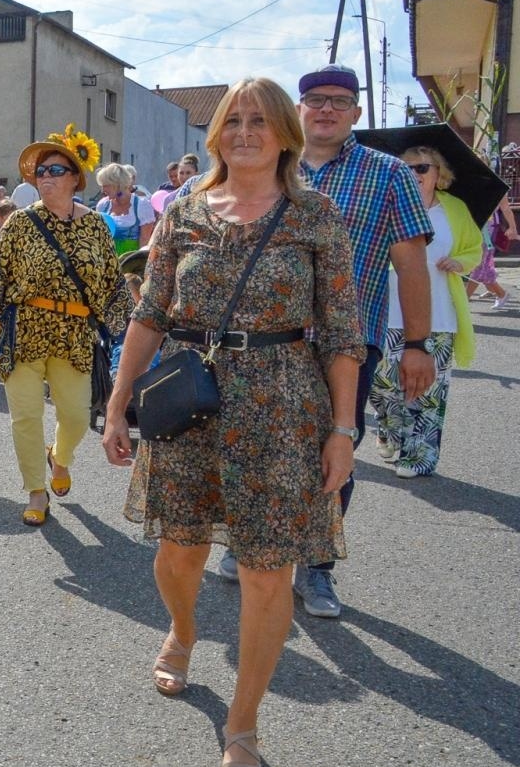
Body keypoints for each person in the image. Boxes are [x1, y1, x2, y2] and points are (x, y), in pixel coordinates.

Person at [101, 77, 363, 767]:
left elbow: (342, 333)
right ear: (215, 133)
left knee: (265, 567)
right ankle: (183, 632)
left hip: (283, 405)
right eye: (232, 120)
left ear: (284, 132)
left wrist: (342, 430)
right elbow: (149, 314)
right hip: (190, 400)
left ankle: (243, 723)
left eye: (258, 119)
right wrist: (119, 402)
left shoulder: (316, 216)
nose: (244, 130)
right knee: (178, 553)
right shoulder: (183, 214)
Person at [215, 64, 432, 620]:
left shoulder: (389, 174)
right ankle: (247, 543)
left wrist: (417, 344)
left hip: (345, 343)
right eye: (315, 99)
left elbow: (410, 265)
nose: (326, 109)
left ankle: (316, 567)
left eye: (339, 100)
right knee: (248, 443)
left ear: (357, 112)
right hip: (262, 343)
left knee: (334, 451)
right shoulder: (269, 165)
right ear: (299, 110)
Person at [0, 126, 124, 526]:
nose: (45, 177)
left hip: (75, 334)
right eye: (41, 171)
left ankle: (59, 458)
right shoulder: (21, 224)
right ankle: (36, 490)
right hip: (24, 330)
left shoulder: (96, 226)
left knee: (77, 416)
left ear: (75, 178)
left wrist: (128, 338)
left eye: (55, 170)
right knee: (25, 417)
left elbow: (111, 284)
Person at [371, 145, 482, 478]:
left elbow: (475, 248)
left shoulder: (455, 210)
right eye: (406, 169)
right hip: (386, 310)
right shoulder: (385, 206)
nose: (414, 174)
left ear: (438, 174)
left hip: (439, 314)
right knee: (383, 382)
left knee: (430, 388)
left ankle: (419, 455)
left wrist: (461, 262)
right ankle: (390, 429)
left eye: (422, 168)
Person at [94, 163, 155, 256]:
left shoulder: (141, 205)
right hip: (108, 261)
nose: (103, 190)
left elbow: (145, 240)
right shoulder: (103, 205)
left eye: (106, 185)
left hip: (130, 262)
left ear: (118, 184)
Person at [466, 196, 516, 308]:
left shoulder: (497, 186)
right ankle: (500, 293)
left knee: (479, 265)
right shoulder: (473, 184)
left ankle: (464, 299)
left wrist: (513, 228)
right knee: (485, 267)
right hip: (471, 229)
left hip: (486, 231)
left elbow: (506, 209)